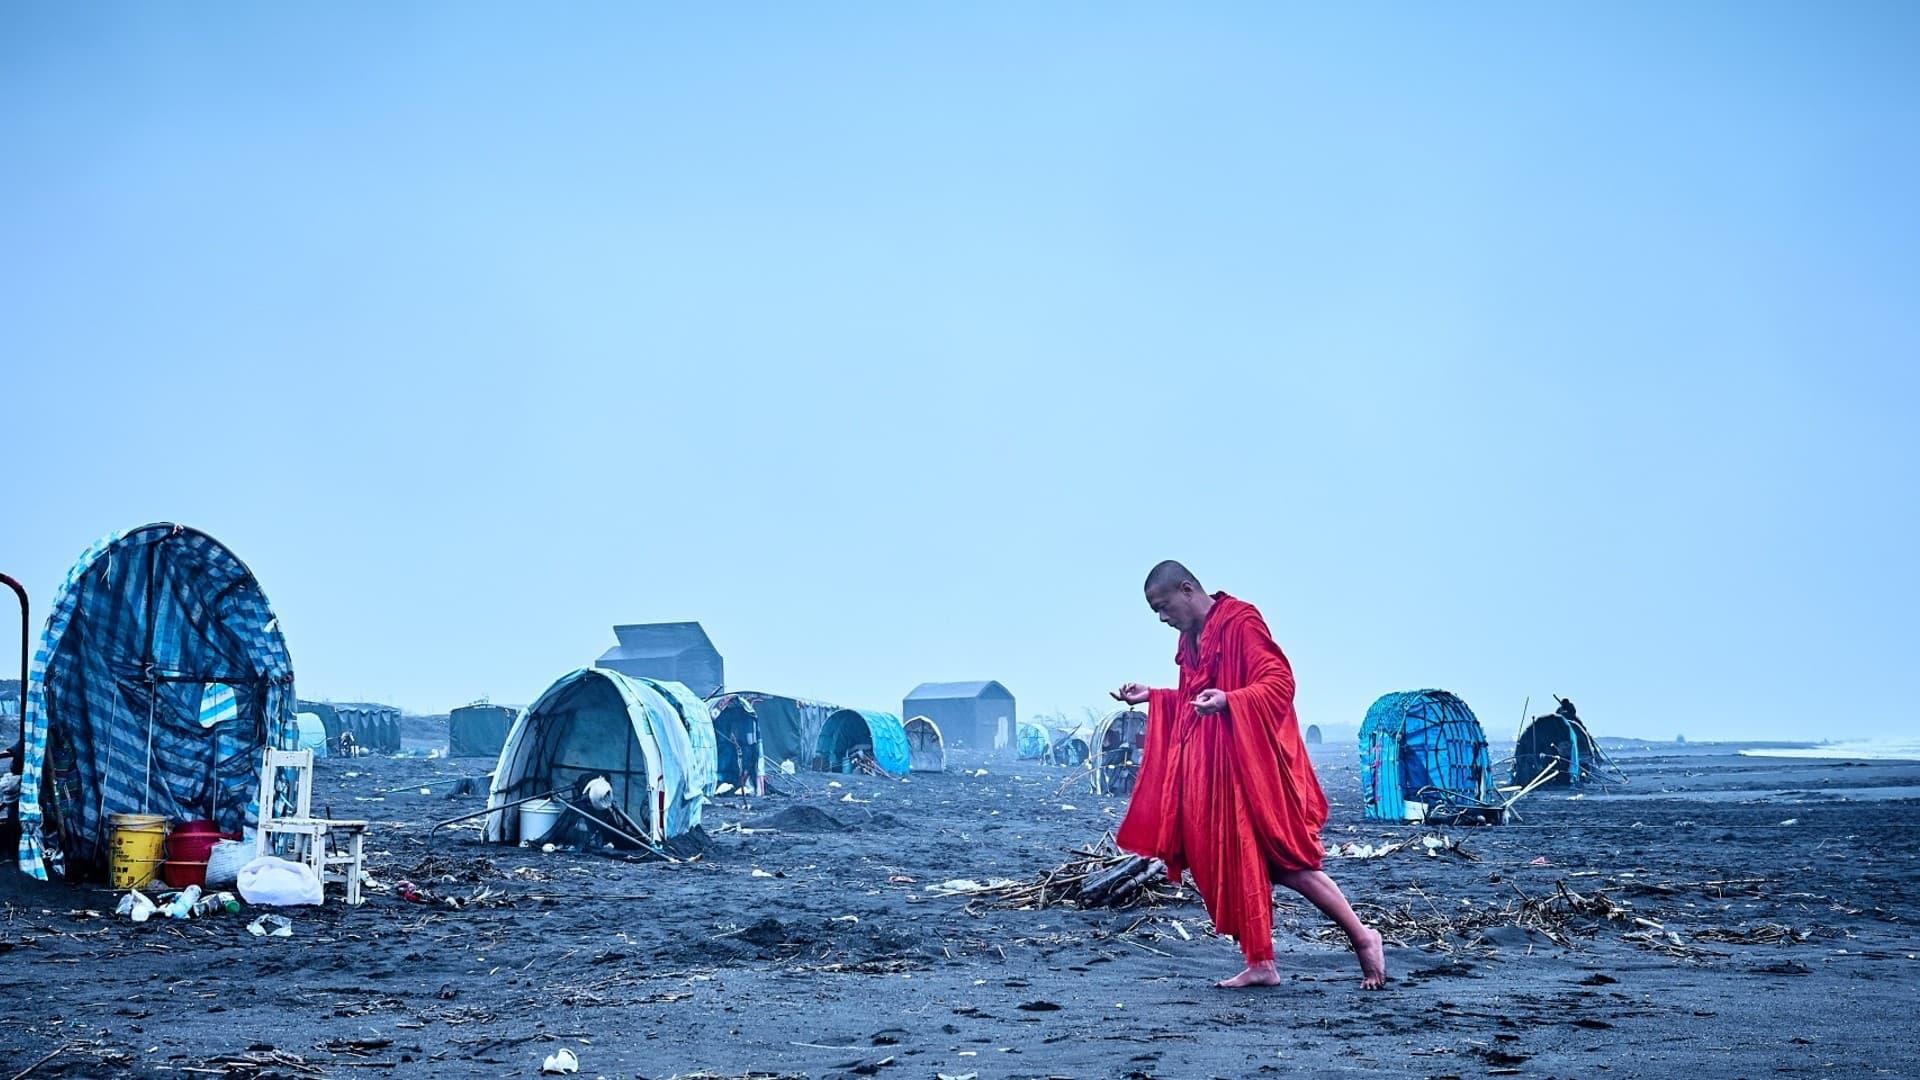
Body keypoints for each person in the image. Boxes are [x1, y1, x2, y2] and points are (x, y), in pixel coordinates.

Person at [1113, 561, 1386, 990]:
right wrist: (1155, 696)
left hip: (1252, 764)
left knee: (1287, 864)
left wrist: (1231, 701)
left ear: (1187, 590)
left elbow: (1279, 682)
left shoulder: (1241, 621)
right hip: (1215, 768)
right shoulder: (1190, 640)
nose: (1163, 619)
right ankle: (1261, 961)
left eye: (1163, 608)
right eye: (1156, 613)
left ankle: (1363, 937)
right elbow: (1191, 696)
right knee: (1236, 861)